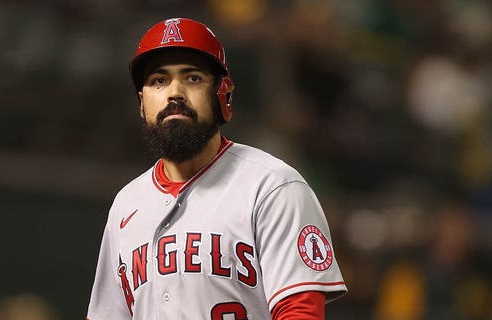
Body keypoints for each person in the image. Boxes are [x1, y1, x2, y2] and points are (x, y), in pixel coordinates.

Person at [86, 17, 347, 320]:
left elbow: (300, 313)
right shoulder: (126, 205)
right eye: (159, 80)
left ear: (222, 94)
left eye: (193, 78)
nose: (175, 93)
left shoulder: (272, 187)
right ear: (143, 103)